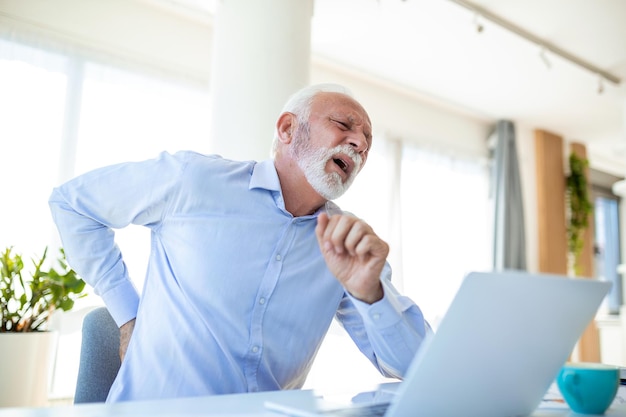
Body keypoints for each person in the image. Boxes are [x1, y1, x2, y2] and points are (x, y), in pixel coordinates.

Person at [49, 83, 431, 403]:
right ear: (287, 129)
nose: (359, 144)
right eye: (344, 125)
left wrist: (372, 295)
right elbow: (72, 204)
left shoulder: (348, 248)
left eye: (367, 142)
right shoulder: (193, 181)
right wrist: (129, 316)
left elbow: (418, 368)